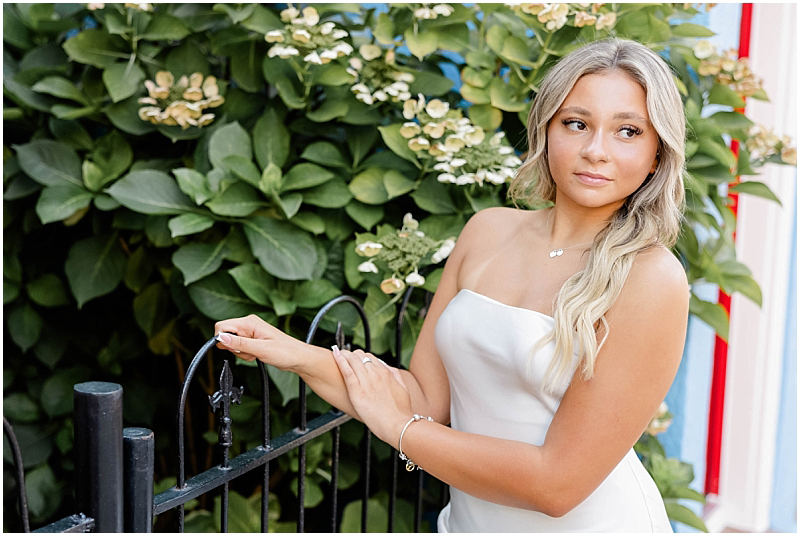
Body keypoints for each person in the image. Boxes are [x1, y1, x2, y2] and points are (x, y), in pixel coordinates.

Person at [214, 37, 689, 532]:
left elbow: (557, 484)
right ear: (546, 129)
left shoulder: (649, 278)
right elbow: (422, 399)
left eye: (628, 131)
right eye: (577, 123)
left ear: (657, 154)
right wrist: (295, 354)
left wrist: (399, 430)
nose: (596, 151)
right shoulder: (487, 231)